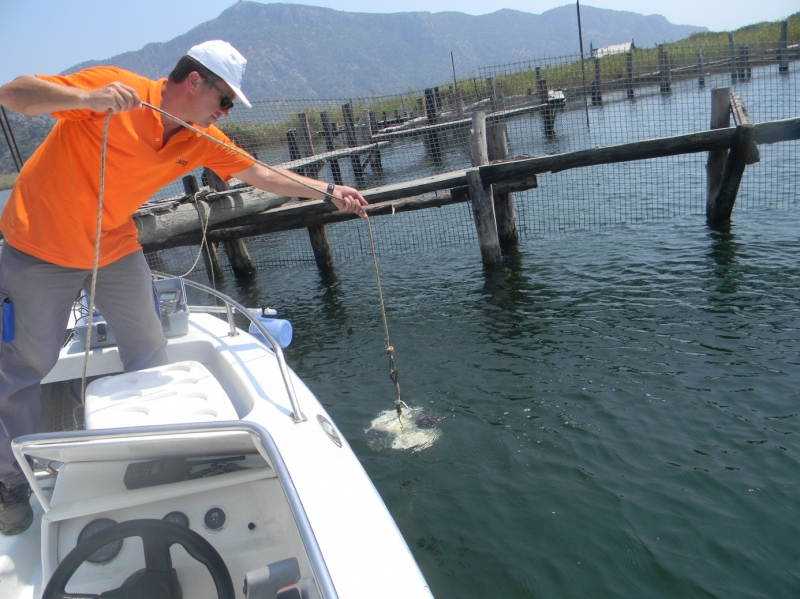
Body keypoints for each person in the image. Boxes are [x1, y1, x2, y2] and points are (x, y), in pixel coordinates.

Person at [0, 40, 367, 535]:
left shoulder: (199, 136)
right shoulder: (115, 89)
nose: (224, 112)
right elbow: (13, 94)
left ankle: (150, 455)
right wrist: (86, 101)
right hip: (38, 244)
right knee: (25, 367)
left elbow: (259, 172)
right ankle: (9, 481)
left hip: (111, 244)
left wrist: (327, 191)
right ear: (194, 82)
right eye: (225, 101)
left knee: (149, 346)